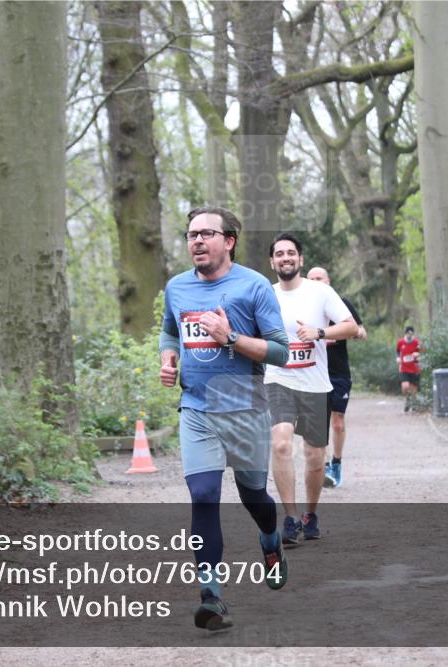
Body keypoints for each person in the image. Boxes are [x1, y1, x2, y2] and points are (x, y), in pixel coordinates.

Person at [159, 206, 290, 631]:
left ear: (229, 241)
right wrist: (168, 357)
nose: (196, 241)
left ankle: (270, 541)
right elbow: (170, 330)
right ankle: (211, 595)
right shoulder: (177, 287)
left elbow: (281, 352)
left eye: (206, 234)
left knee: (255, 497)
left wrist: (230, 337)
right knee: (203, 495)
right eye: (191, 234)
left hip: (246, 409)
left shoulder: (253, 286)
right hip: (197, 409)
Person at [265, 234, 357, 546]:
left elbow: (350, 326)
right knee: (281, 444)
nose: (285, 258)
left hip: (315, 384)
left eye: (291, 253)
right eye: (279, 254)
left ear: (300, 259)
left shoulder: (320, 291)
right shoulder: (265, 294)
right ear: (272, 262)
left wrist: (319, 332)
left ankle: (310, 514)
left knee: (314, 455)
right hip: (278, 380)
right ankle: (290, 518)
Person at [305, 267, 366, 489]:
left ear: (328, 281)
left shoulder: (341, 304)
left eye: (319, 278)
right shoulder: (303, 307)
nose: (316, 282)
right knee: (318, 423)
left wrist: (349, 333)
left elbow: (361, 331)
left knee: (337, 422)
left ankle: (336, 464)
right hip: (312, 371)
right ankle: (323, 467)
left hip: (338, 372)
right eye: (311, 279)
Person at [396, 326, 421, 411]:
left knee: (413, 389)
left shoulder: (416, 342)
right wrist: (398, 358)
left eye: (411, 334)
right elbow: (397, 351)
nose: (410, 335)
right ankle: (407, 399)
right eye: (408, 333)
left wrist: (417, 354)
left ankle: (413, 403)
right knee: (405, 386)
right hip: (404, 367)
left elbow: (420, 351)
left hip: (414, 368)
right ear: (405, 333)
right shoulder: (400, 342)